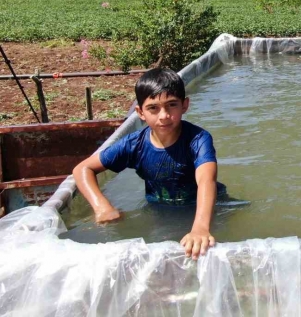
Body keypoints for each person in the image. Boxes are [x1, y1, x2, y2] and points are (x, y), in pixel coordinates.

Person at [73, 67, 221, 259]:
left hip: (204, 209)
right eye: (153, 108)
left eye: (172, 105)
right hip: (159, 209)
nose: (164, 115)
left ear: (185, 105)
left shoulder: (198, 140)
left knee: (205, 250)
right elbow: (82, 168)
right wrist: (102, 206)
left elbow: (206, 180)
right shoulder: (134, 145)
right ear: (140, 112)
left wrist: (201, 227)